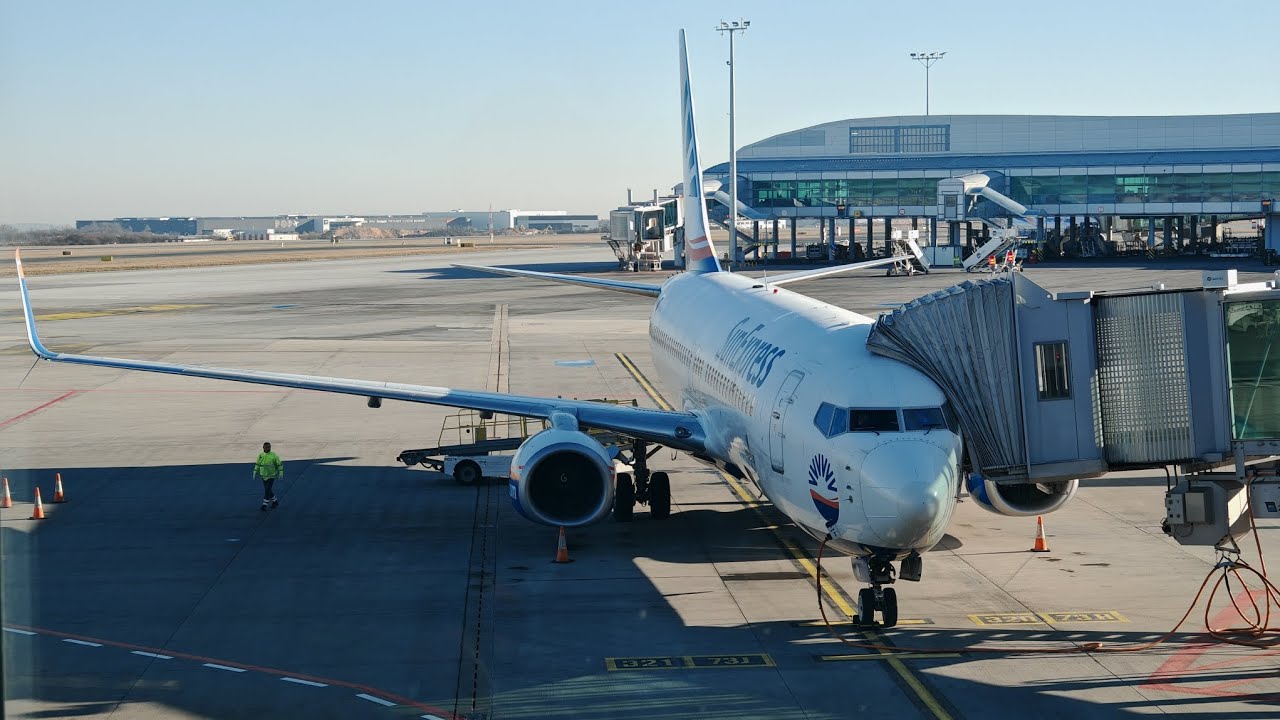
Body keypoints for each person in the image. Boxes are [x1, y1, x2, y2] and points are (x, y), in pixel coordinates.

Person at [253, 442, 283, 510]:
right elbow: (257, 464)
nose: (267, 448)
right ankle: (275, 501)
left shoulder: (274, 455)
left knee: (267, 490)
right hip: (263, 476)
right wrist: (255, 472)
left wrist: (280, 472)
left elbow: (279, 464)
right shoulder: (261, 455)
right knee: (268, 490)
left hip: (271, 476)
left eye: (269, 447)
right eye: (266, 447)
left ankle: (265, 504)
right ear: (263, 448)